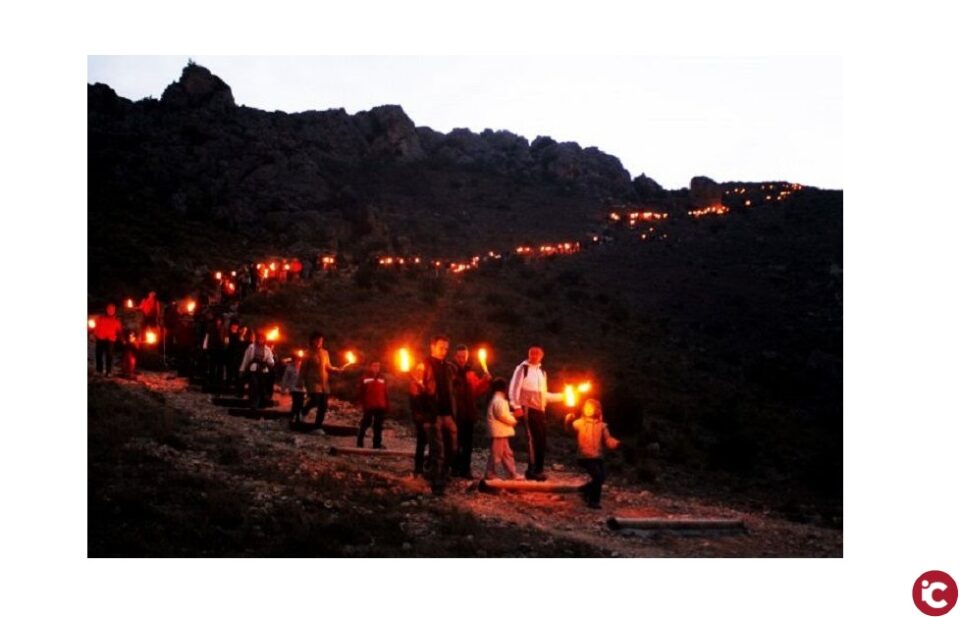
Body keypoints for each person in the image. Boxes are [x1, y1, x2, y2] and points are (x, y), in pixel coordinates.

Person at [508, 346, 563, 481]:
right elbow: (513, 388)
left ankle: (538, 470)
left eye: (537, 353)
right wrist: (516, 406)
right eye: (532, 353)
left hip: (540, 410)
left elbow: (544, 395)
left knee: (541, 440)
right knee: (532, 439)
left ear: (542, 356)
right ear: (528, 354)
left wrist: (564, 396)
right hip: (527, 408)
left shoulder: (542, 372)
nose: (534, 355)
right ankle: (532, 471)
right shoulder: (522, 368)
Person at [565, 399, 620, 508]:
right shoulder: (579, 423)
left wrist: (614, 443)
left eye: (591, 408)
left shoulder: (602, 426)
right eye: (586, 407)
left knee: (601, 478)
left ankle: (585, 490)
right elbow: (569, 430)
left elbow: (608, 439)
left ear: (597, 410)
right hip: (585, 457)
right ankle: (593, 501)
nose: (588, 410)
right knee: (598, 477)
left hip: (598, 456)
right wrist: (568, 420)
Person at [422, 335, 458, 495]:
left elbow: (452, 389)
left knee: (452, 448)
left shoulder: (448, 367)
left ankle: (441, 475)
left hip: (448, 414)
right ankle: (437, 484)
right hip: (433, 413)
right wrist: (422, 414)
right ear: (432, 346)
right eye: (441, 347)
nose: (444, 351)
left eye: (446, 348)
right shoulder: (424, 365)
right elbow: (416, 391)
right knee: (438, 450)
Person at [451, 344, 491, 478]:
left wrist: (485, 381)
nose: (462, 359)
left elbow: (476, 390)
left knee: (468, 443)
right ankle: (454, 468)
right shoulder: (451, 371)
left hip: (468, 413)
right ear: (455, 357)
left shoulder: (470, 373)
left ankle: (466, 469)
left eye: (464, 357)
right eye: (460, 356)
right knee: (455, 442)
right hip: (456, 413)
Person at [297, 332, 344, 432]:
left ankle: (318, 426)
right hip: (313, 381)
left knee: (323, 405)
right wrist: (300, 381)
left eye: (321, 340)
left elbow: (328, 366)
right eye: (317, 340)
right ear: (313, 341)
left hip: (324, 383)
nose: (319, 342)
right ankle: (303, 412)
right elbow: (303, 369)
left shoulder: (325, 353)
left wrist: (336, 370)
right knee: (315, 400)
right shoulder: (308, 353)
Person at [485, 378, 523, 480]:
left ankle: (512, 474)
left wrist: (512, 414)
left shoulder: (497, 400)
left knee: (507, 454)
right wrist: (514, 418)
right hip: (499, 432)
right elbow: (502, 415)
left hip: (500, 432)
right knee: (496, 454)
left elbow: (502, 414)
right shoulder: (499, 400)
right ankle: (490, 474)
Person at [239, 331, 276, 409]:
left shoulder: (267, 349)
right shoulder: (251, 347)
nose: (260, 340)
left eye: (262, 338)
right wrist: (242, 369)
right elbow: (246, 359)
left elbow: (270, 360)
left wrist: (271, 362)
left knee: (261, 386)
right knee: (254, 385)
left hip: (263, 370)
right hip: (253, 368)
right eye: (259, 338)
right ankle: (253, 404)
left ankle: (260, 404)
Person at [356, 361, 389, 448]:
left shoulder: (383, 378)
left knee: (378, 426)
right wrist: (361, 404)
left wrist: (386, 405)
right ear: (370, 367)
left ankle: (376, 444)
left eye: (378, 366)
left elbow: (385, 392)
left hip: (380, 405)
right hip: (369, 404)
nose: (376, 368)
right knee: (366, 423)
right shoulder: (364, 378)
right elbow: (361, 392)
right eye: (374, 366)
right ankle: (360, 441)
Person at [409, 362, 430, 477]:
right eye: (418, 370)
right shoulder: (414, 385)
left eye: (422, 371)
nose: (420, 372)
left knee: (431, 442)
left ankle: (427, 465)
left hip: (429, 417)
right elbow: (415, 402)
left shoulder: (427, 384)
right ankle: (418, 468)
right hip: (420, 418)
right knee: (421, 442)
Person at [92, 303, 124, 376]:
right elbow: (96, 327)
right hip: (100, 338)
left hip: (110, 340)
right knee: (99, 355)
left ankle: (109, 371)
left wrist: (122, 339)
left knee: (109, 356)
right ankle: (99, 370)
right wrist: (94, 335)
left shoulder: (116, 321)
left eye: (112, 309)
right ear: (106, 310)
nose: (111, 311)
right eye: (109, 309)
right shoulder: (101, 318)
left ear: (114, 310)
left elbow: (119, 331)